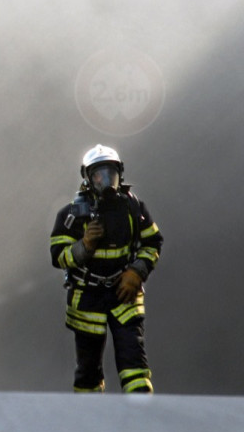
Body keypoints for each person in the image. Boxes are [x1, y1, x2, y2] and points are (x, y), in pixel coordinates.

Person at [49, 144, 163, 393]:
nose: (106, 181)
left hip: (125, 294)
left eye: (110, 174)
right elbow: (58, 257)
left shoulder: (134, 208)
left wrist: (137, 272)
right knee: (88, 371)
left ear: (119, 173)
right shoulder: (72, 215)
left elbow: (153, 242)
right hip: (87, 297)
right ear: (88, 178)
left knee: (134, 364)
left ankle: (141, 416)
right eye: (98, 175)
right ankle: (90, 423)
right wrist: (84, 246)